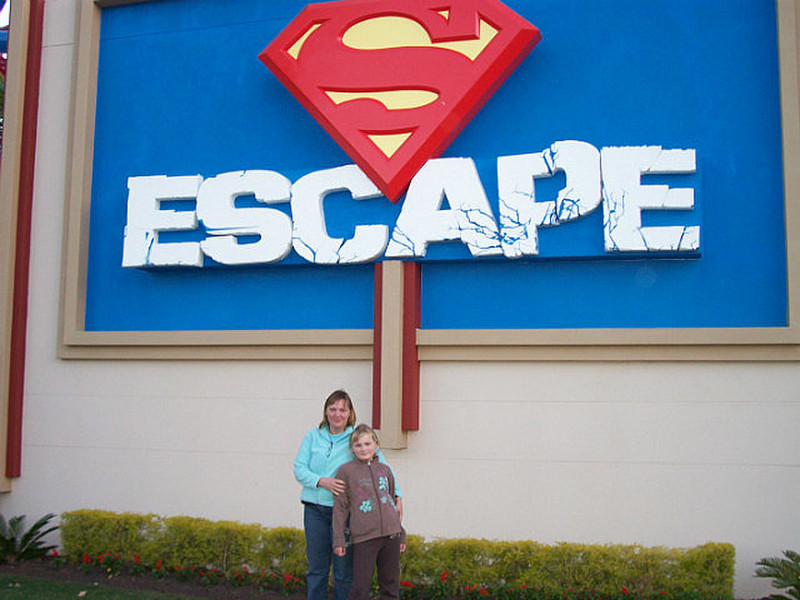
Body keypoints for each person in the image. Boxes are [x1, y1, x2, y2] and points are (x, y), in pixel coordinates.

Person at [294, 390, 402, 600]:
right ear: (326, 412)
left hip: (344, 514)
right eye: (332, 409)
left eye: (342, 410)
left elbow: (383, 468)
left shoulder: (356, 437)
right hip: (315, 510)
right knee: (317, 568)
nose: (337, 414)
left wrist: (397, 495)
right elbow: (299, 468)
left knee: (344, 572)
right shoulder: (313, 436)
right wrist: (321, 481)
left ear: (349, 412)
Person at [332, 424, 406, 600]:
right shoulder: (345, 471)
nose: (363, 449)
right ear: (352, 449)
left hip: (391, 536)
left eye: (367, 444)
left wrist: (401, 533)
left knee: (390, 585)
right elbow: (340, 508)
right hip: (365, 538)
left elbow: (391, 502)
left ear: (376, 445)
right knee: (360, 587)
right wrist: (339, 540)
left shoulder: (385, 470)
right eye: (358, 445)